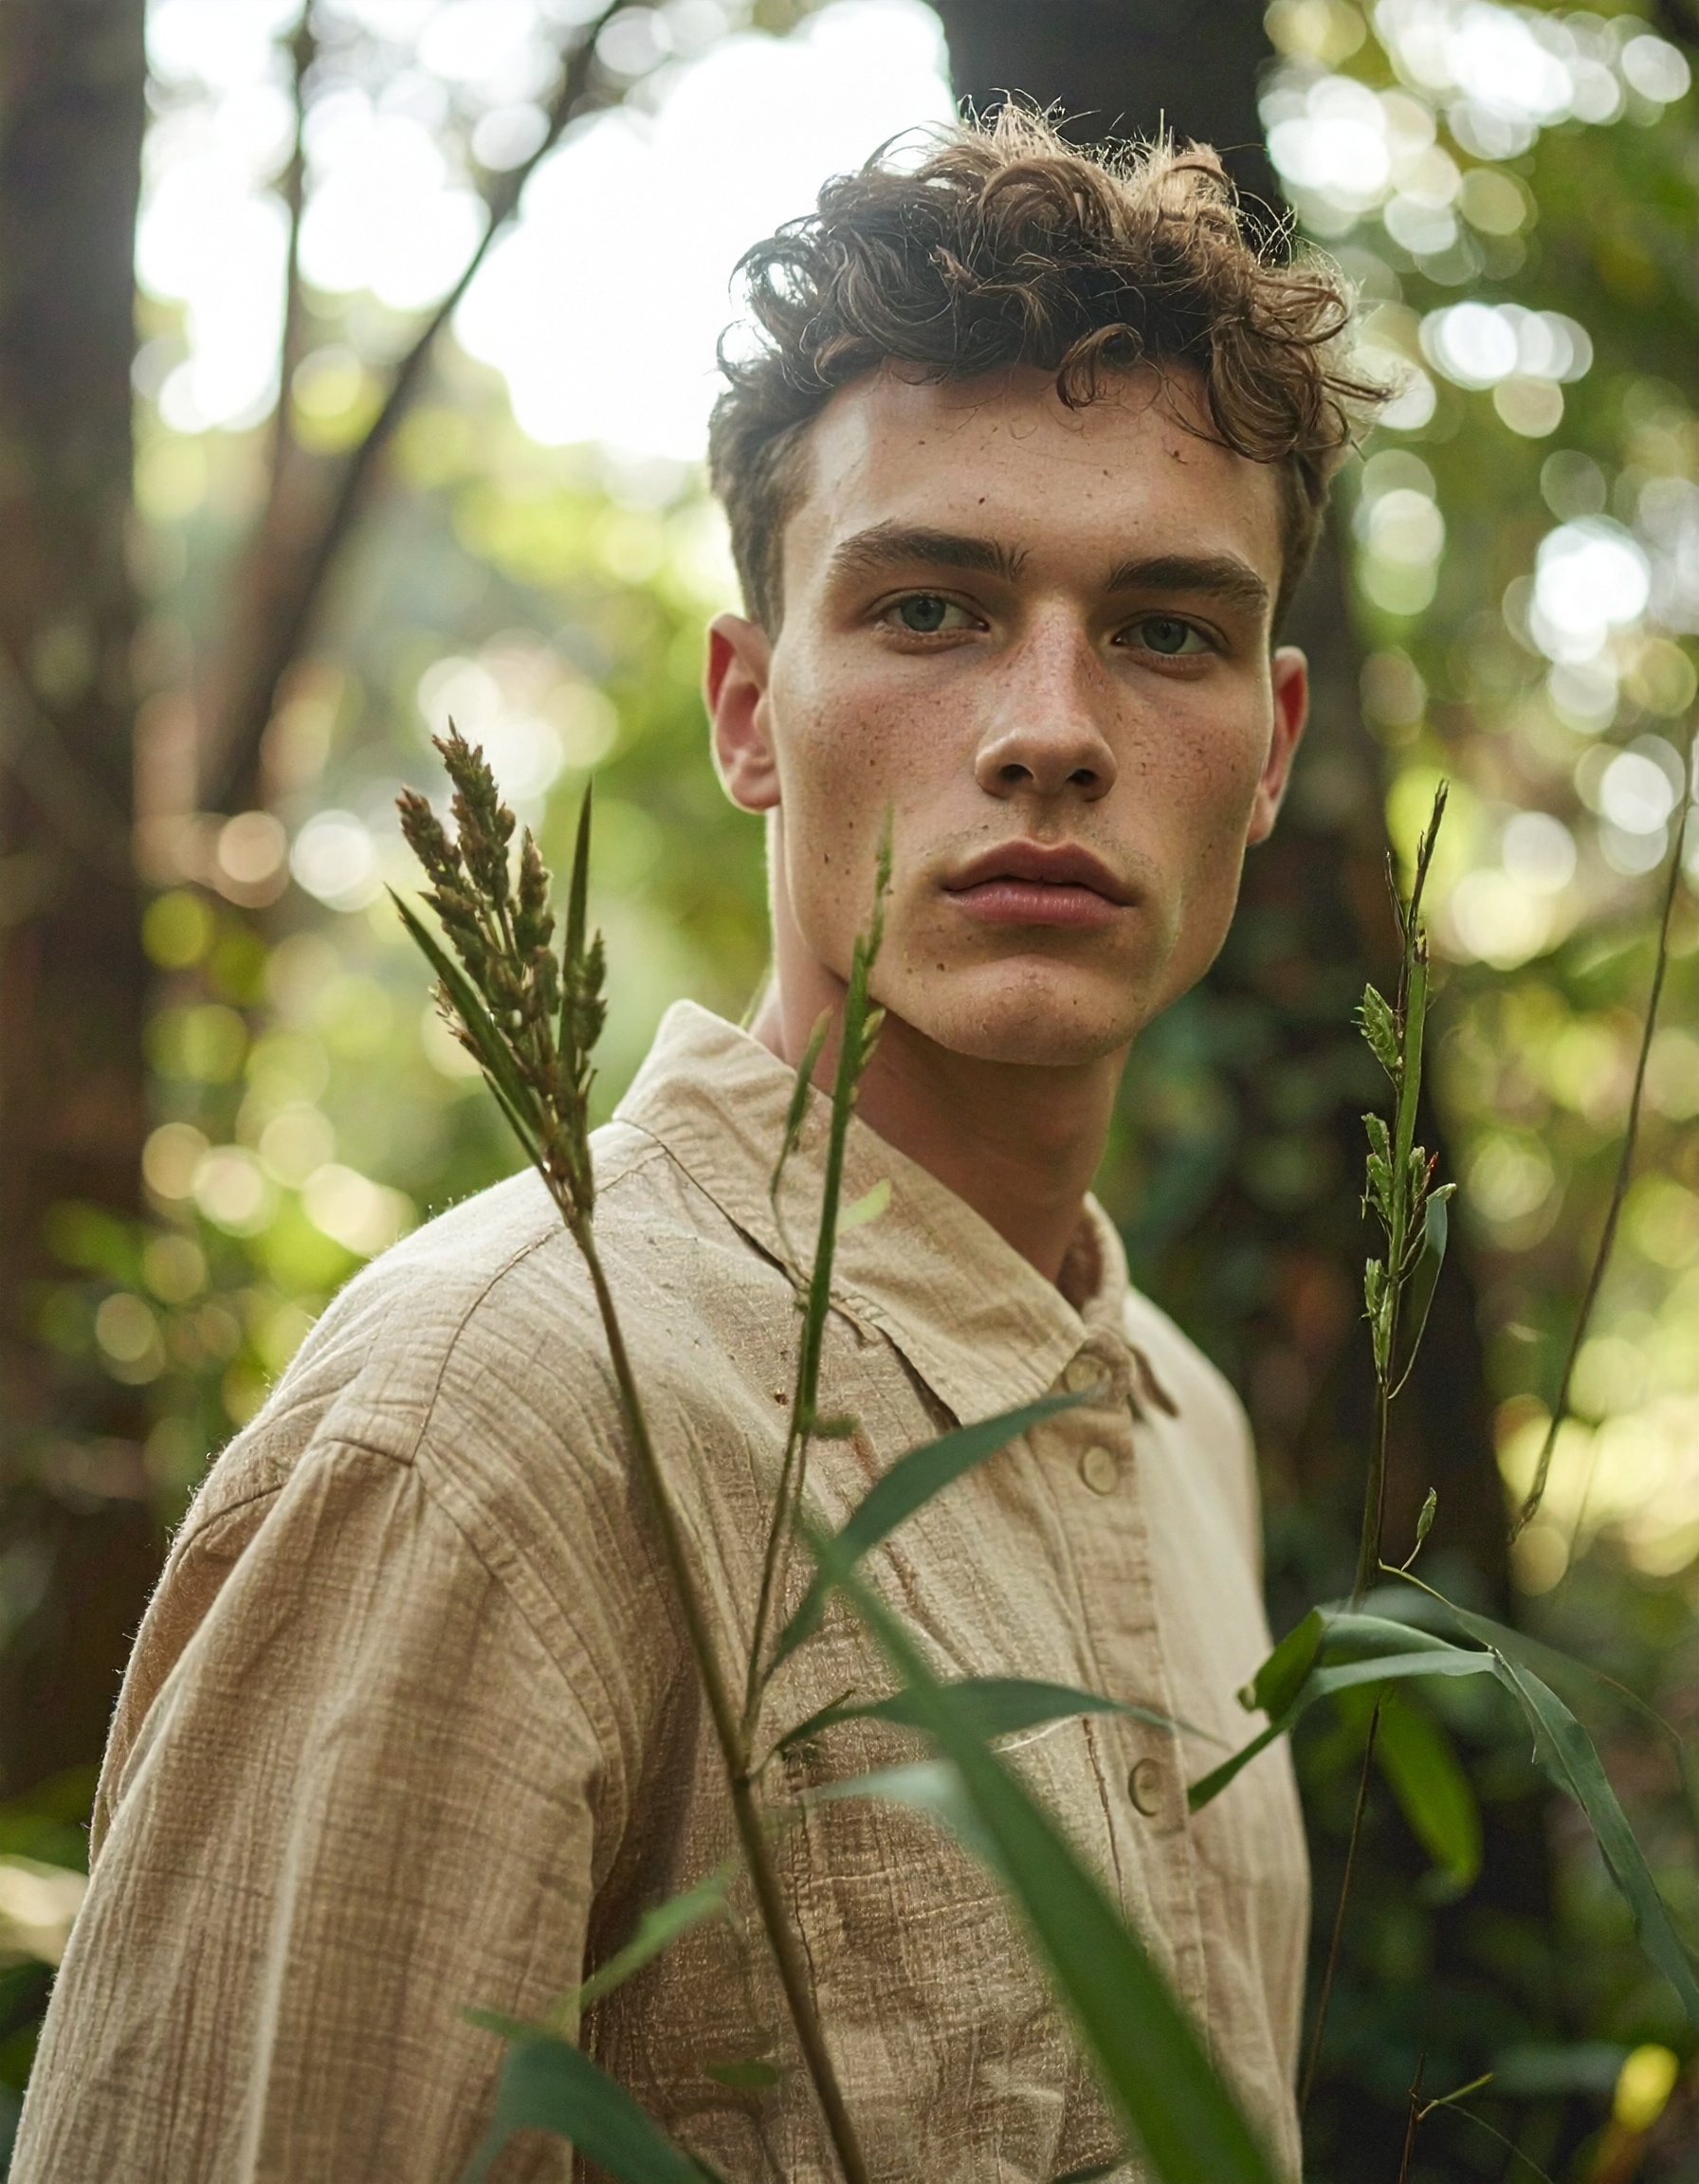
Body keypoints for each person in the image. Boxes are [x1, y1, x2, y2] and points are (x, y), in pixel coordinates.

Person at [15, 108, 1380, 2184]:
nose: (1049, 726)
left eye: (1164, 629)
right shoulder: (488, 1418)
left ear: (1267, 748)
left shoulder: (1176, 1416)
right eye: (928, 609)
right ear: (749, 711)